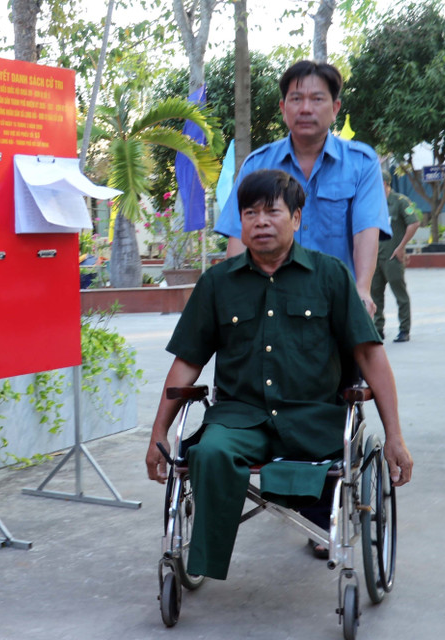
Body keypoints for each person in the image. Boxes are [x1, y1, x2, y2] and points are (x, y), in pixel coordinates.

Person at [145, 169, 413, 581]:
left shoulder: (330, 276)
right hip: (239, 417)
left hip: (313, 419)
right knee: (208, 452)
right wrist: (158, 433)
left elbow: (370, 354)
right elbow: (186, 362)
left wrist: (394, 435)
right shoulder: (217, 284)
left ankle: (322, 527)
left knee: (325, 465)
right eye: (250, 213)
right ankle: (205, 562)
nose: (261, 221)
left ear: (297, 218)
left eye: (272, 211)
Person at [216, 60, 391, 317]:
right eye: (296, 99)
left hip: (336, 303)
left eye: (317, 99)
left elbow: (366, 230)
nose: (306, 108)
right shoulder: (258, 163)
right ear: (283, 108)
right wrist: (235, 292)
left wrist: (361, 290)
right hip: (269, 305)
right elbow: (239, 234)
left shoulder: (361, 163)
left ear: (335, 108)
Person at [371, 170, 421, 342]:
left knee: (400, 294)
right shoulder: (372, 203)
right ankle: (378, 329)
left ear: (385, 184)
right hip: (375, 257)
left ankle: (404, 330)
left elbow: (414, 223)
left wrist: (401, 247)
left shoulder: (400, 201)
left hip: (392, 256)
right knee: (375, 295)